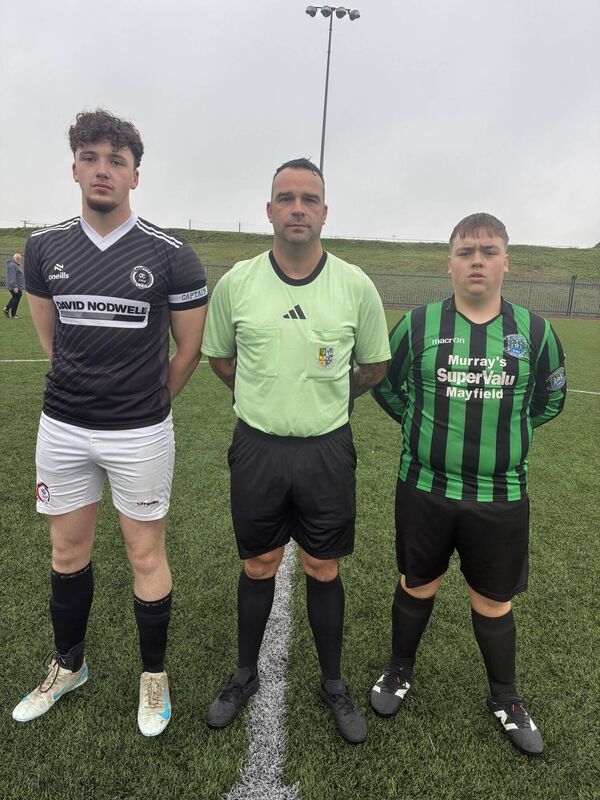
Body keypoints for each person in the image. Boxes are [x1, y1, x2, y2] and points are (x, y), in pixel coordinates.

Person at [12, 109, 208, 737]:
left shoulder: (171, 255)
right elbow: (51, 338)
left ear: (135, 176)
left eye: (116, 160)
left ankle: (153, 676)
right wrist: (83, 394)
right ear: (74, 168)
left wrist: (147, 406)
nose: (103, 170)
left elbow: (187, 352)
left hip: (140, 433)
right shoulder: (45, 247)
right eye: (91, 158)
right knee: (67, 551)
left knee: (144, 553)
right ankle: (69, 664)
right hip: (63, 427)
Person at [201, 158, 390, 744]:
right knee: (258, 563)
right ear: (270, 210)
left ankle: (333, 682)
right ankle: (243, 674)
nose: (298, 207)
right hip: (257, 448)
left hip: (326, 452)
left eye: (310, 198)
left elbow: (375, 366)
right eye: (286, 197)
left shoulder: (355, 285)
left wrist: (326, 400)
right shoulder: (237, 282)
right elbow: (221, 360)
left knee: (321, 565)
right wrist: (262, 395)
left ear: (325, 212)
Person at [370, 212, 566, 756]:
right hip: (425, 488)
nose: (476, 260)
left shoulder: (536, 332)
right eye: (465, 251)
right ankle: (398, 671)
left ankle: (505, 696)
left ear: (506, 261)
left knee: (494, 600)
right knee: (416, 583)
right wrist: (420, 425)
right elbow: (387, 388)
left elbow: (550, 401)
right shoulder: (417, 325)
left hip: (501, 496)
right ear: (449, 264)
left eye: (487, 250)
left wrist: (510, 433)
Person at [3, 253, 24, 318]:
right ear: (14, 258)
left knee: (16, 297)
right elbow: (12, 276)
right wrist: (15, 286)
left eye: (20, 258)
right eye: (17, 258)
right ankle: (8, 310)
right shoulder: (12, 265)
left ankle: (11, 313)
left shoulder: (16, 265)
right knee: (17, 295)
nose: (19, 259)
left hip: (16, 285)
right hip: (13, 285)